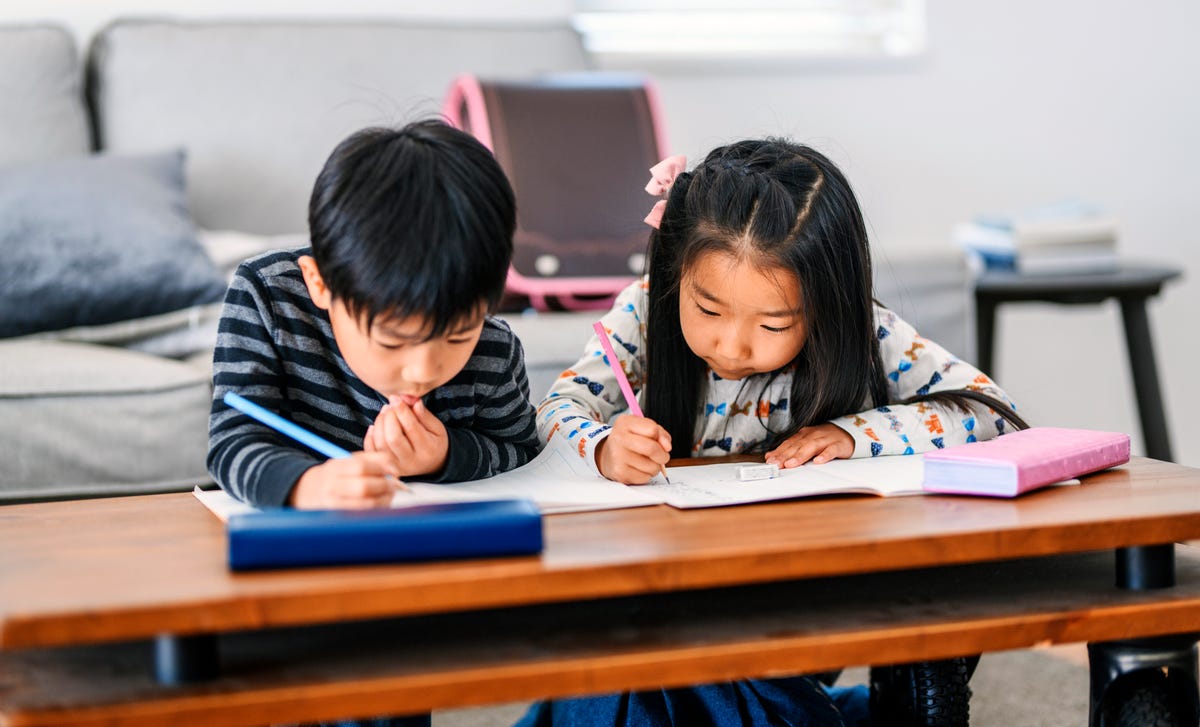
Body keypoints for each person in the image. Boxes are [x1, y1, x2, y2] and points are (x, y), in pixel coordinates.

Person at [525, 139, 1023, 726]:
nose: (733, 345)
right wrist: (604, 446)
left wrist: (852, 434)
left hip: (796, 598)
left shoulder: (864, 331)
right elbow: (557, 410)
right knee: (623, 669)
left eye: (773, 323)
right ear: (675, 273)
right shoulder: (643, 313)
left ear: (824, 306)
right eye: (708, 311)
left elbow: (988, 410)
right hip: (664, 586)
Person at [207, 120, 542, 726]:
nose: (423, 369)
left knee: (384, 681)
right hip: (288, 568)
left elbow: (518, 446)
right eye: (393, 341)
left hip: (414, 581)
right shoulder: (266, 298)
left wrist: (445, 458)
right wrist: (306, 486)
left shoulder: (492, 349)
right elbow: (234, 438)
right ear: (321, 284)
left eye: (456, 335)